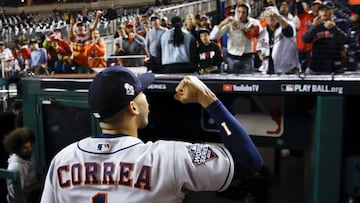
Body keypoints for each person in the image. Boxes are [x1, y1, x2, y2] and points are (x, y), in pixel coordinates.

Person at [40, 66, 263, 203]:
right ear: (133, 108)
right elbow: (249, 161)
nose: (146, 98)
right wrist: (207, 98)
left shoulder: (62, 160)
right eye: (141, 93)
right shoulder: (169, 158)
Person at [210, 2, 261, 73]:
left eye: (244, 12)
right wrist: (223, 23)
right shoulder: (230, 22)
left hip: (248, 57)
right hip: (232, 57)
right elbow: (213, 36)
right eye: (239, 12)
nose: (241, 15)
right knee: (232, 81)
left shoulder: (254, 23)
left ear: (248, 13)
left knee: (248, 81)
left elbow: (260, 36)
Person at [302, 1, 350, 74]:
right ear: (318, 12)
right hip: (315, 67)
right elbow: (305, 40)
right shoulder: (315, 24)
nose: (324, 12)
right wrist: (313, 27)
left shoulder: (341, 23)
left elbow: (346, 40)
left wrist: (334, 29)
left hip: (334, 67)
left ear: (333, 11)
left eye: (327, 10)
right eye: (322, 10)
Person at [3, 127, 42, 203]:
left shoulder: (30, 156)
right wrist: (38, 185)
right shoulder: (15, 167)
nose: (29, 150)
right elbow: (19, 192)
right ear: (17, 149)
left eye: (30, 146)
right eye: (25, 148)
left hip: (32, 196)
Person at [256, 6, 300, 74]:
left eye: (273, 16)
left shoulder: (287, 25)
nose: (271, 18)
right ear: (265, 19)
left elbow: (288, 31)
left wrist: (278, 17)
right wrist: (260, 55)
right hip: (268, 69)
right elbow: (259, 48)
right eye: (268, 16)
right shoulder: (262, 33)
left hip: (287, 70)